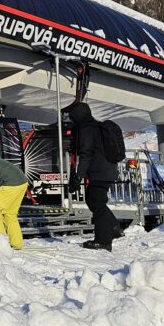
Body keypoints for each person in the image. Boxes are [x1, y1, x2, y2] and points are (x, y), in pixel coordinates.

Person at [67, 102, 119, 251]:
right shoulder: (94, 125)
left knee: (97, 202)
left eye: (72, 116)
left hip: (100, 171)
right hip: (106, 169)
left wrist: (78, 176)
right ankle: (114, 228)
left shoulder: (87, 129)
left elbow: (86, 154)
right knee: (93, 200)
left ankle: (103, 241)